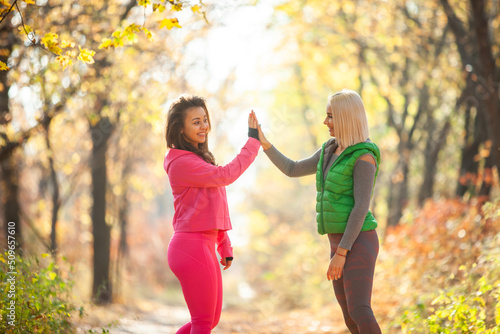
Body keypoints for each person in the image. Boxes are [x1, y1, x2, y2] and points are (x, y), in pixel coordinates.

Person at [254, 89, 382, 333]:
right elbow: (292, 169)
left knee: (359, 310)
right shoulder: (329, 151)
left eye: (331, 116)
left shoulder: (364, 157)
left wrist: (342, 252)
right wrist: (264, 142)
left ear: (345, 118)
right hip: (338, 243)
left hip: (358, 241)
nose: (326, 122)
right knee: (349, 316)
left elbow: (360, 207)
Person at [163, 95, 260, 334]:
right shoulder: (181, 163)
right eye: (196, 122)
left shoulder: (199, 161)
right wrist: (253, 142)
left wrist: (224, 245)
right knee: (203, 322)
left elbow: (213, 206)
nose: (204, 126)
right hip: (190, 246)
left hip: (203, 244)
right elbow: (225, 175)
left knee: (209, 321)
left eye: (205, 119)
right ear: (181, 129)